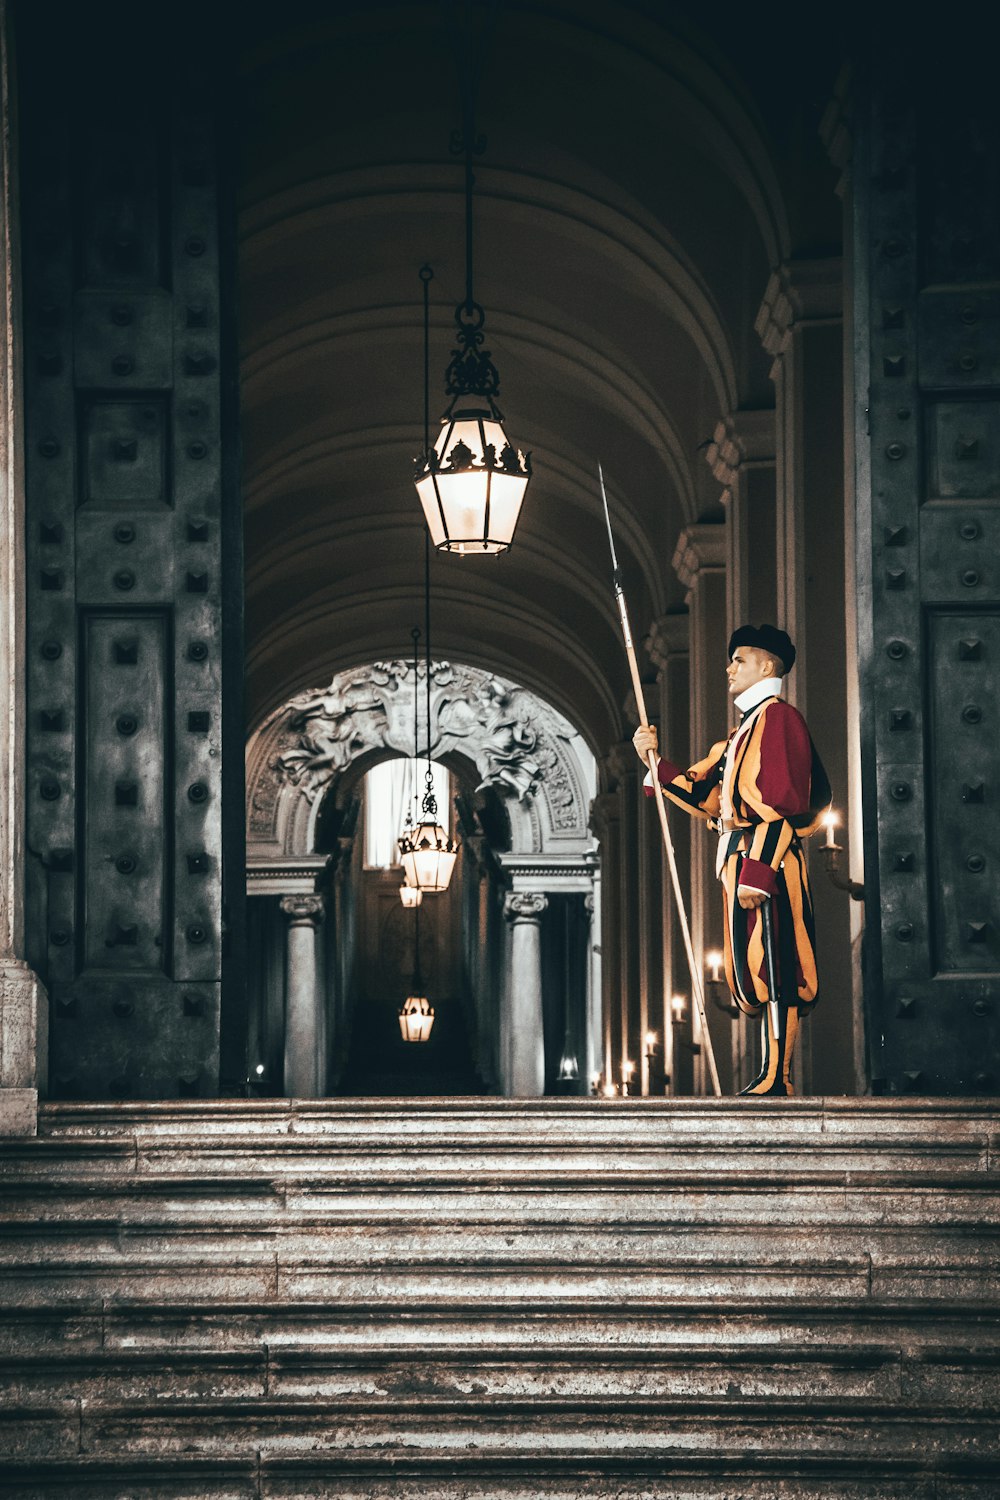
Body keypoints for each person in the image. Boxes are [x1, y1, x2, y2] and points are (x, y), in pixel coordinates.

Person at [633, 624, 831, 1096]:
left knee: (779, 964)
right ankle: (768, 1070)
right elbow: (706, 792)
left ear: (767, 666)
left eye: (739, 659)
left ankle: (777, 1076)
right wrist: (654, 761)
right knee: (755, 966)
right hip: (741, 861)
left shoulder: (779, 720)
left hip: (770, 862)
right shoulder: (741, 732)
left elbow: (782, 802)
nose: (729, 667)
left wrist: (759, 871)